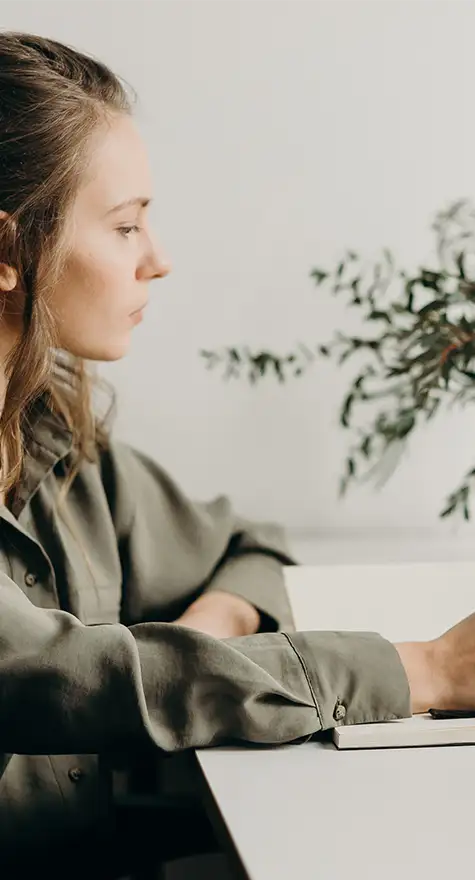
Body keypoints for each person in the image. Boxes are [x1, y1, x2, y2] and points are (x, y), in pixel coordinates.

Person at [0, 29, 474, 879]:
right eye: (125, 226)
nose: (159, 259)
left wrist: (200, 637)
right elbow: (54, 676)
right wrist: (424, 669)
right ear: (6, 253)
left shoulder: (57, 443)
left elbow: (247, 546)